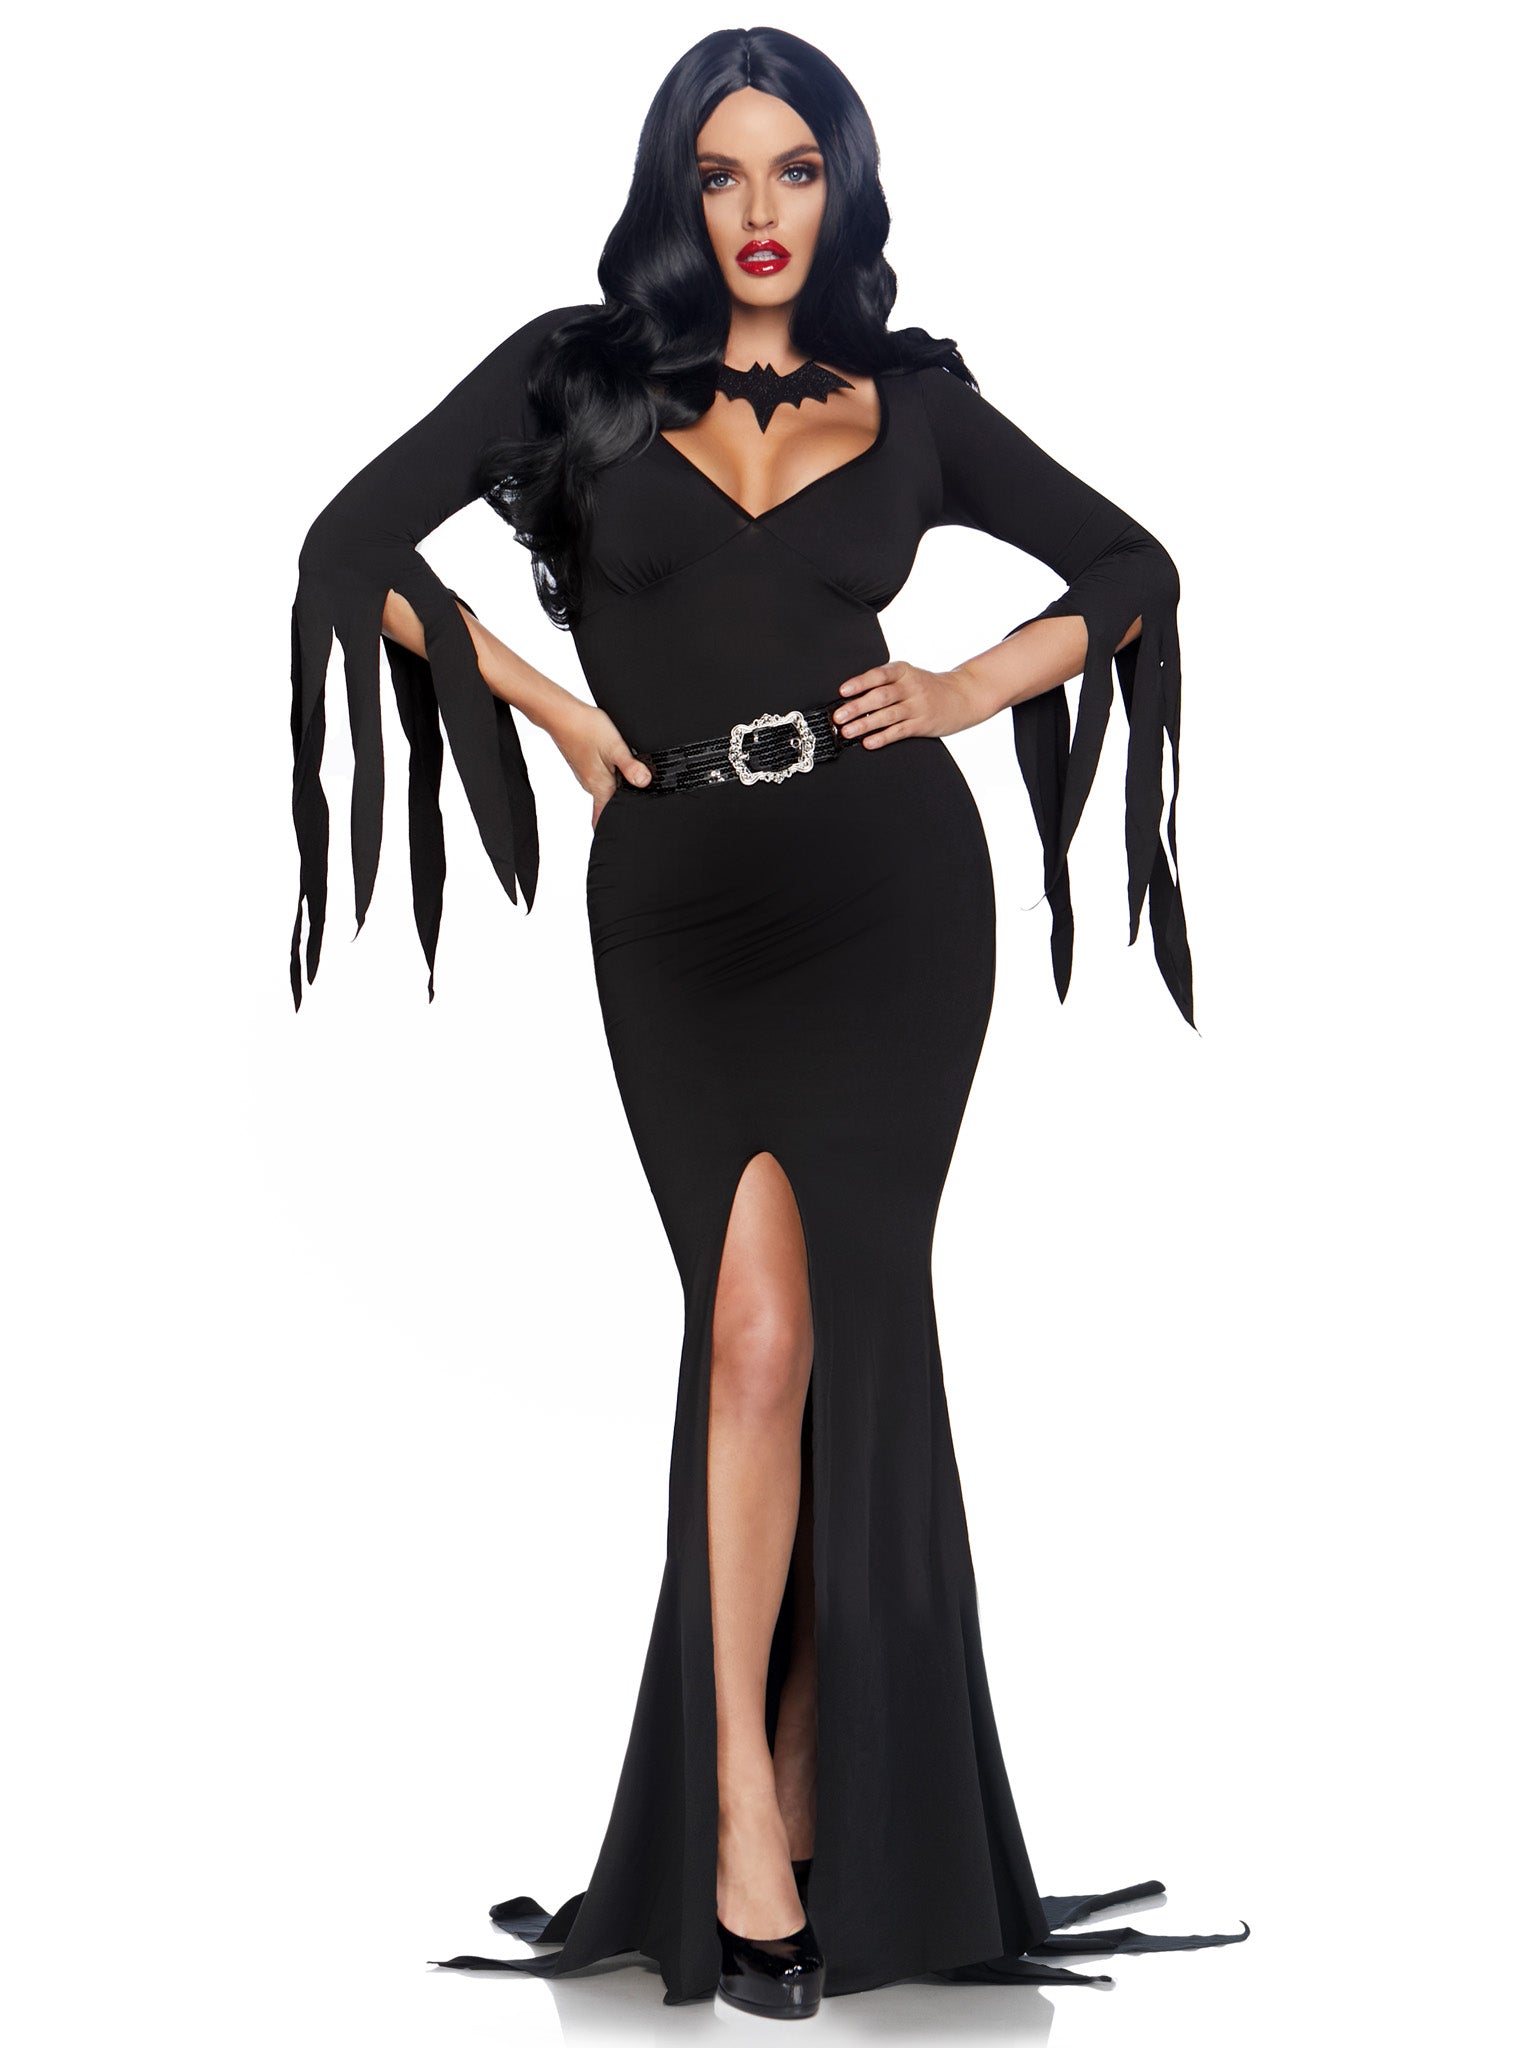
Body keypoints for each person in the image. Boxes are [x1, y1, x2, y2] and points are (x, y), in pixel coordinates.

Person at [289, 24, 1244, 2020]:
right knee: (748, 1338)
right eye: (720, 173)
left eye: (795, 170)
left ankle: (789, 1809)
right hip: (681, 909)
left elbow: (1136, 567)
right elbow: (348, 548)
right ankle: (742, 1796)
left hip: (893, 896)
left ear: (843, 187)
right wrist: (553, 707)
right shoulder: (570, 375)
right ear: (674, 191)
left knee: (839, 1343)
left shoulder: (912, 403)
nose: (758, 211)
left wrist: (972, 685)